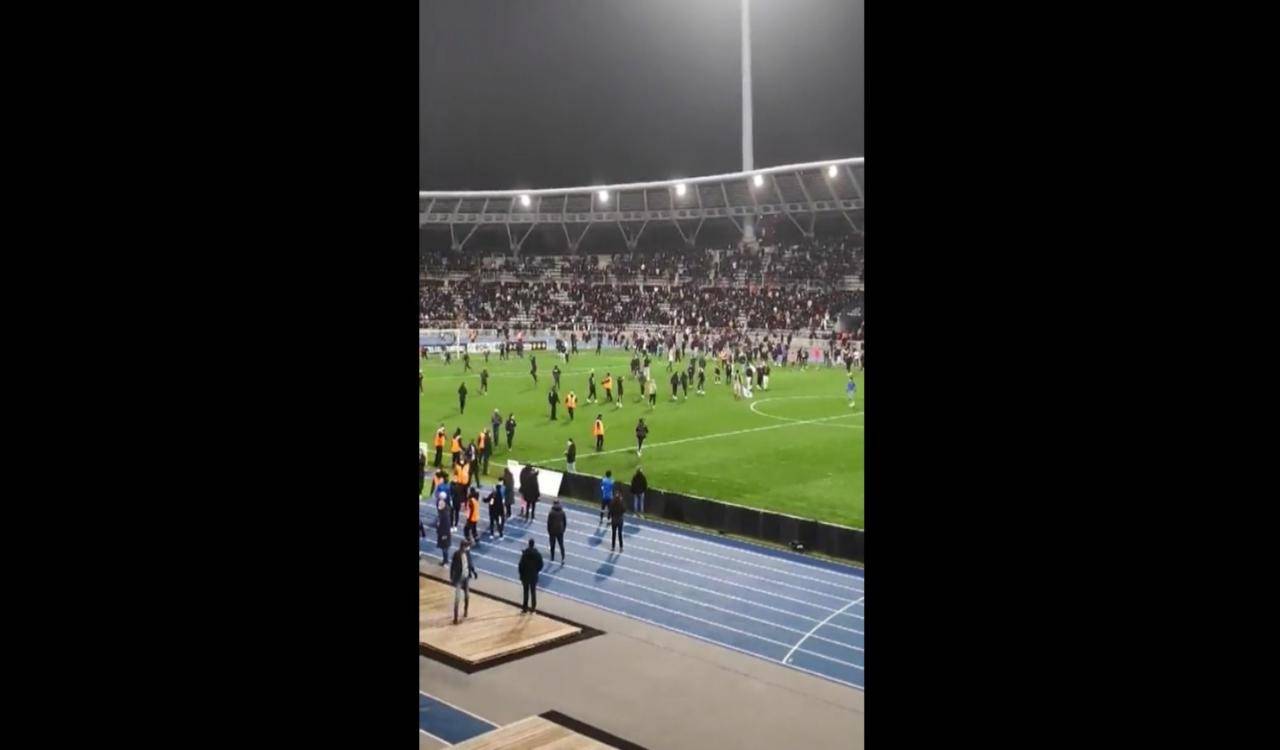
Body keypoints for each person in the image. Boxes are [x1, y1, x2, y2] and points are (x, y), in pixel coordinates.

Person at [450, 539, 479, 624]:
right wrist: (452, 577)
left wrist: (473, 572)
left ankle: (465, 611)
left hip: (466, 577)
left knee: (467, 595)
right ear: (462, 546)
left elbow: (470, 563)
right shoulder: (456, 554)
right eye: (466, 546)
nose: (467, 548)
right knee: (457, 598)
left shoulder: (467, 553)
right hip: (459, 579)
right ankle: (455, 618)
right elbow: (452, 566)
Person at [518, 538, 544, 613]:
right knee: (533, 592)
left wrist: (521, 574)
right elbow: (541, 565)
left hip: (525, 576)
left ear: (529, 544)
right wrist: (536, 571)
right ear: (533, 544)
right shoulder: (537, 554)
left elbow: (521, 565)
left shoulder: (525, 554)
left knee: (525, 592)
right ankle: (533, 608)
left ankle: (525, 608)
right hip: (533, 576)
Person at [435, 494, 452, 566]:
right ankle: (445, 560)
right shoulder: (445, 511)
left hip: (444, 533)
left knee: (444, 547)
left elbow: (444, 525)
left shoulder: (444, 515)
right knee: (444, 547)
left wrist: (444, 534)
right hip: (444, 532)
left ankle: (445, 561)